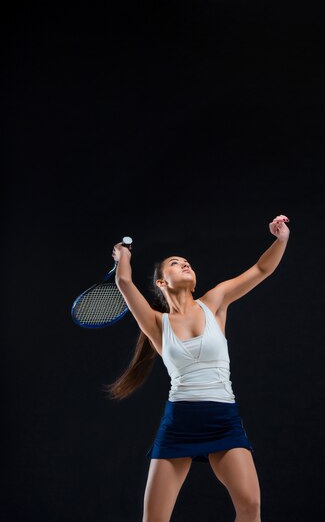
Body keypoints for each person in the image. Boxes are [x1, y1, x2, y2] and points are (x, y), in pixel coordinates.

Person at [108, 214, 290, 522]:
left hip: (223, 420)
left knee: (250, 508)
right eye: (176, 263)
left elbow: (262, 269)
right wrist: (122, 257)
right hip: (179, 424)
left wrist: (281, 239)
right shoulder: (156, 323)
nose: (185, 264)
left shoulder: (215, 301)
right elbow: (124, 282)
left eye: (187, 261)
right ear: (162, 282)